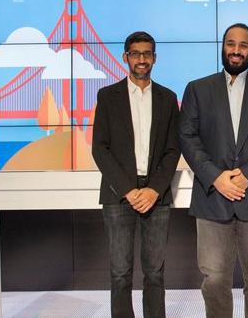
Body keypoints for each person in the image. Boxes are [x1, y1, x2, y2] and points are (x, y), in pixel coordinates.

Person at [178, 23, 248, 318]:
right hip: (212, 198)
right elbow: (187, 137)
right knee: (214, 280)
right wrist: (216, 177)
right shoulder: (197, 89)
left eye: (243, 45)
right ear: (223, 46)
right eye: (231, 43)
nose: (236, 50)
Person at [92, 31, 180, 318]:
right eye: (136, 53)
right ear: (125, 58)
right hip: (120, 195)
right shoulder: (107, 96)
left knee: (155, 273)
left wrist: (153, 189)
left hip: (157, 195)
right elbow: (100, 149)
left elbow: (172, 149)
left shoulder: (168, 98)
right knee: (120, 273)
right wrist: (129, 190)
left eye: (147, 54)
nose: (141, 59)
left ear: (154, 58)